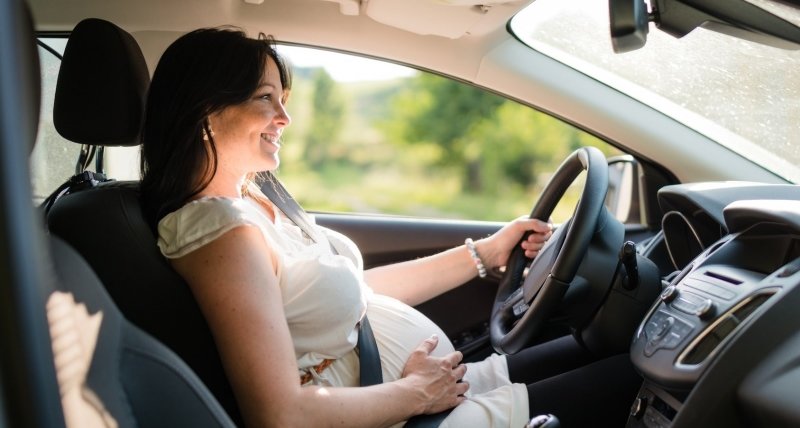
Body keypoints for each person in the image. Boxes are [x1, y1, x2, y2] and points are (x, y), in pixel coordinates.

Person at [140, 27, 557, 428]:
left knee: (597, 354)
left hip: (429, 396)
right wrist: (416, 393)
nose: (284, 117)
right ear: (206, 112)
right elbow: (280, 416)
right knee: (615, 388)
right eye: (265, 98)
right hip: (409, 413)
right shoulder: (219, 230)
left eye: (282, 99)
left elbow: (358, 291)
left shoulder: (254, 202)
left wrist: (485, 254)